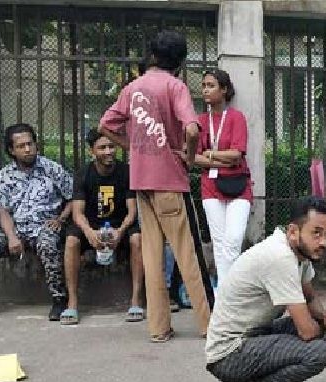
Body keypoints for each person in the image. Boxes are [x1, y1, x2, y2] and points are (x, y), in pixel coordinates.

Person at [99, 29, 212, 343]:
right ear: (179, 61)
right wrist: (189, 157)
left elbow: (105, 124)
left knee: (151, 255)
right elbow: (191, 129)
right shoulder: (175, 86)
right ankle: (208, 324)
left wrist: (131, 147)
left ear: (152, 54)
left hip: (142, 181)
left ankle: (158, 327)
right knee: (187, 254)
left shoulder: (133, 88)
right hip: (170, 181)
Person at [205, 197, 326, 382]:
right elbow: (306, 331)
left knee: (322, 330)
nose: (323, 241)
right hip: (228, 354)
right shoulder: (280, 258)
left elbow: (310, 296)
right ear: (294, 231)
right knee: (317, 352)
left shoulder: (299, 254)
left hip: (252, 337)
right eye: (316, 233)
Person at [0, 123, 73, 322]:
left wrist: (61, 218)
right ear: (11, 150)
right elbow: (3, 211)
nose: (27, 149)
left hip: (44, 225)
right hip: (15, 227)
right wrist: (12, 237)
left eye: (30, 144)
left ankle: (60, 300)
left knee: (48, 244)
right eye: (21, 146)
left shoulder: (51, 168)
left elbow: (73, 197)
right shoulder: (4, 176)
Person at [61, 128, 143, 324]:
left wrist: (119, 232)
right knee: (71, 240)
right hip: (91, 226)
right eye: (102, 148)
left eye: (111, 146)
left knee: (137, 238)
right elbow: (77, 213)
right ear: (93, 152)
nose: (108, 151)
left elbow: (132, 211)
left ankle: (136, 299)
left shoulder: (126, 172)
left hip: (119, 226)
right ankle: (72, 303)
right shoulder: (83, 174)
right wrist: (90, 233)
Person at [195, 69, 252, 295]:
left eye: (211, 85)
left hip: (239, 185)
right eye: (204, 85)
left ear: (224, 89)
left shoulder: (236, 117)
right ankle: (225, 296)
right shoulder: (200, 121)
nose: (206, 90)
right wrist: (221, 159)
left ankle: (226, 292)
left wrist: (209, 154)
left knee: (234, 239)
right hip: (210, 187)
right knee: (219, 243)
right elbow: (194, 158)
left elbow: (237, 154)